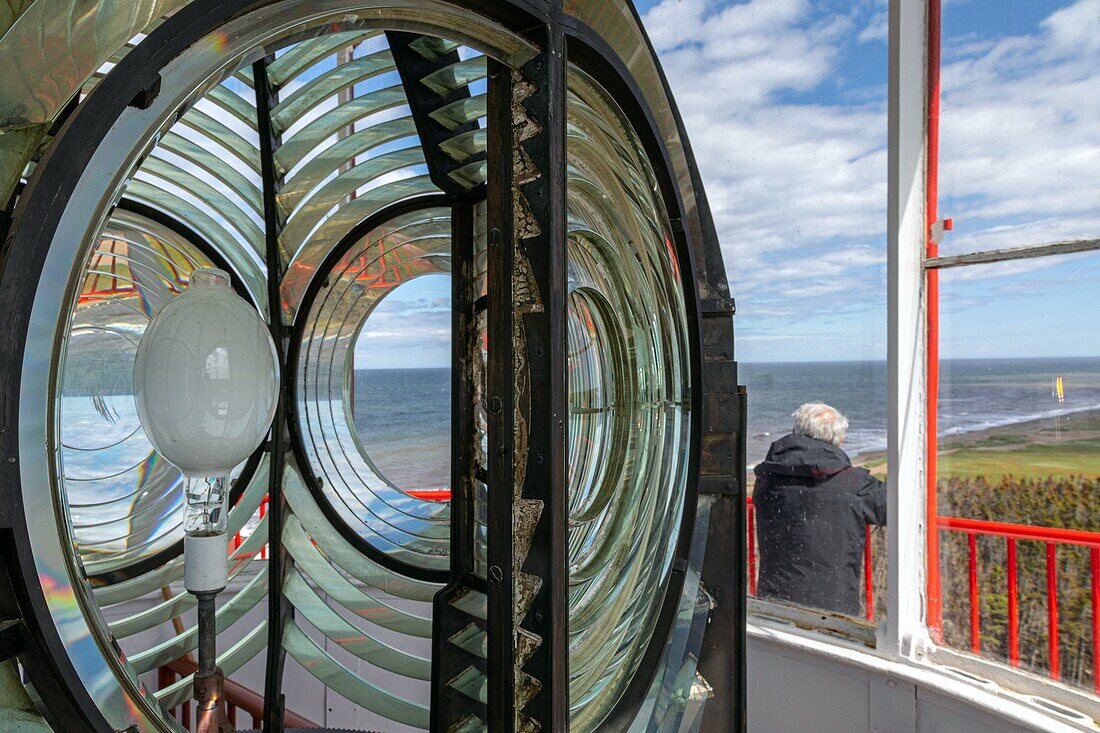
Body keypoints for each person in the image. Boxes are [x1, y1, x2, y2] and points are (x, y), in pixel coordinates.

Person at [753, 402, 886, 616]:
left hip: (774, 598)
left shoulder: (768, 477)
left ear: (795, 432)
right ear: (839, 440)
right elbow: (892, 508)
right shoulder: (855, 485)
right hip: (833, 607)